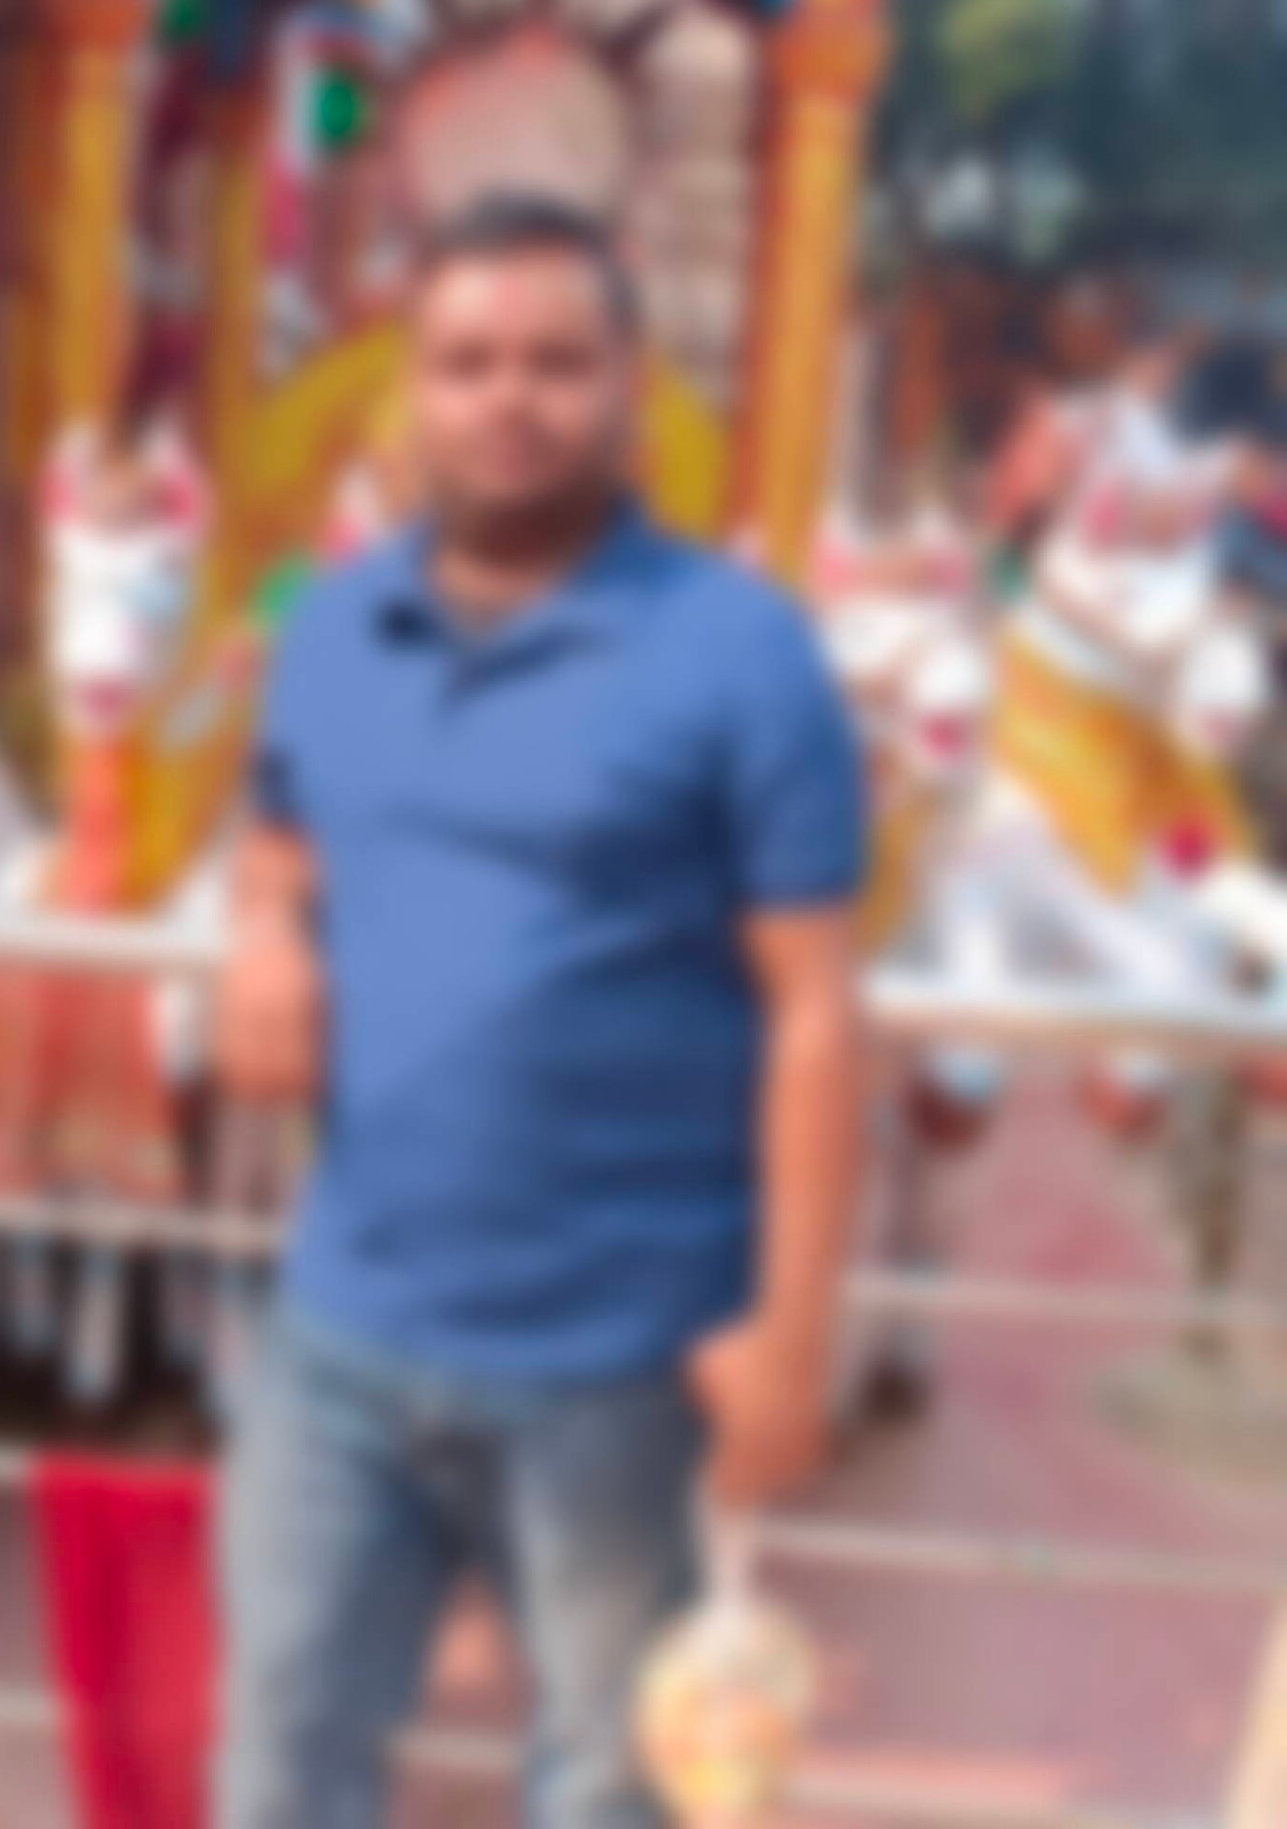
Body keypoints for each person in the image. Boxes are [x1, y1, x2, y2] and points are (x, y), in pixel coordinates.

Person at [216, 195, 868, 1828]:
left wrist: (792, 1339)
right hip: (342, 1337)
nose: (509, 400)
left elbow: (815, 1009)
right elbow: (280, 825)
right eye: (468, 363)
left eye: (556, 362)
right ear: (410, 389)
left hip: (619, 1364)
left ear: (629, 383)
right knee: (281, 1762)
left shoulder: (740, 652)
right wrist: (264, 927)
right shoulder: (333, 628)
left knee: (607, 1789)